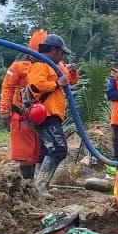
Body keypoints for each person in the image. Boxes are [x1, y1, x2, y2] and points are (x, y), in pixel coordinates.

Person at [27, 34, 79, 199]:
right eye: (61, 52)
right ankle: (41, 185)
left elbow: (69, 81)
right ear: (54, 50)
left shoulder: (55, 66)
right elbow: (36, 86)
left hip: (53, 114)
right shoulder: (40, 64)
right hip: (45, 114)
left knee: (46, 150)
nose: (62, 56)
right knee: (58, 149)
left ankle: (40, 184)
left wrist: (72, 73)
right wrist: (57, 83)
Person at [1, 30, 47, 181]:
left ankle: (34, 182)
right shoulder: (18, 66)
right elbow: (7, 87)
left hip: (43, 116)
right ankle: (27, 183)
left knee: (38, 152)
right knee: (25, 153)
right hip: (22, 115)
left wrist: (72, 73)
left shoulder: (52, 65)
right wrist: (4, 110)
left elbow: (68, 79)